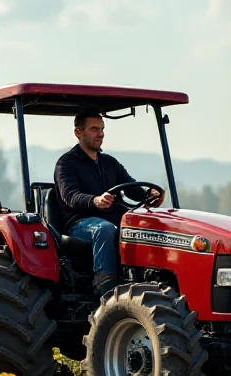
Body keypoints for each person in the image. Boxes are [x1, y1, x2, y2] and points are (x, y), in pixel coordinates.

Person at [54, 110, 164, 295]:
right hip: (80, 223)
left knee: (145, 224)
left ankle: (149, 276)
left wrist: (150, 195)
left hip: (112, 218)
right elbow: (70, 196)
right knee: (104, 229)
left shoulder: (109, 163)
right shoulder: (66, 164)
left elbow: (132, 189)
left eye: (102, 129)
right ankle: (104, 283)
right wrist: (95, 201)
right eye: (94, 129)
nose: (101, 134)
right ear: (78, 133)